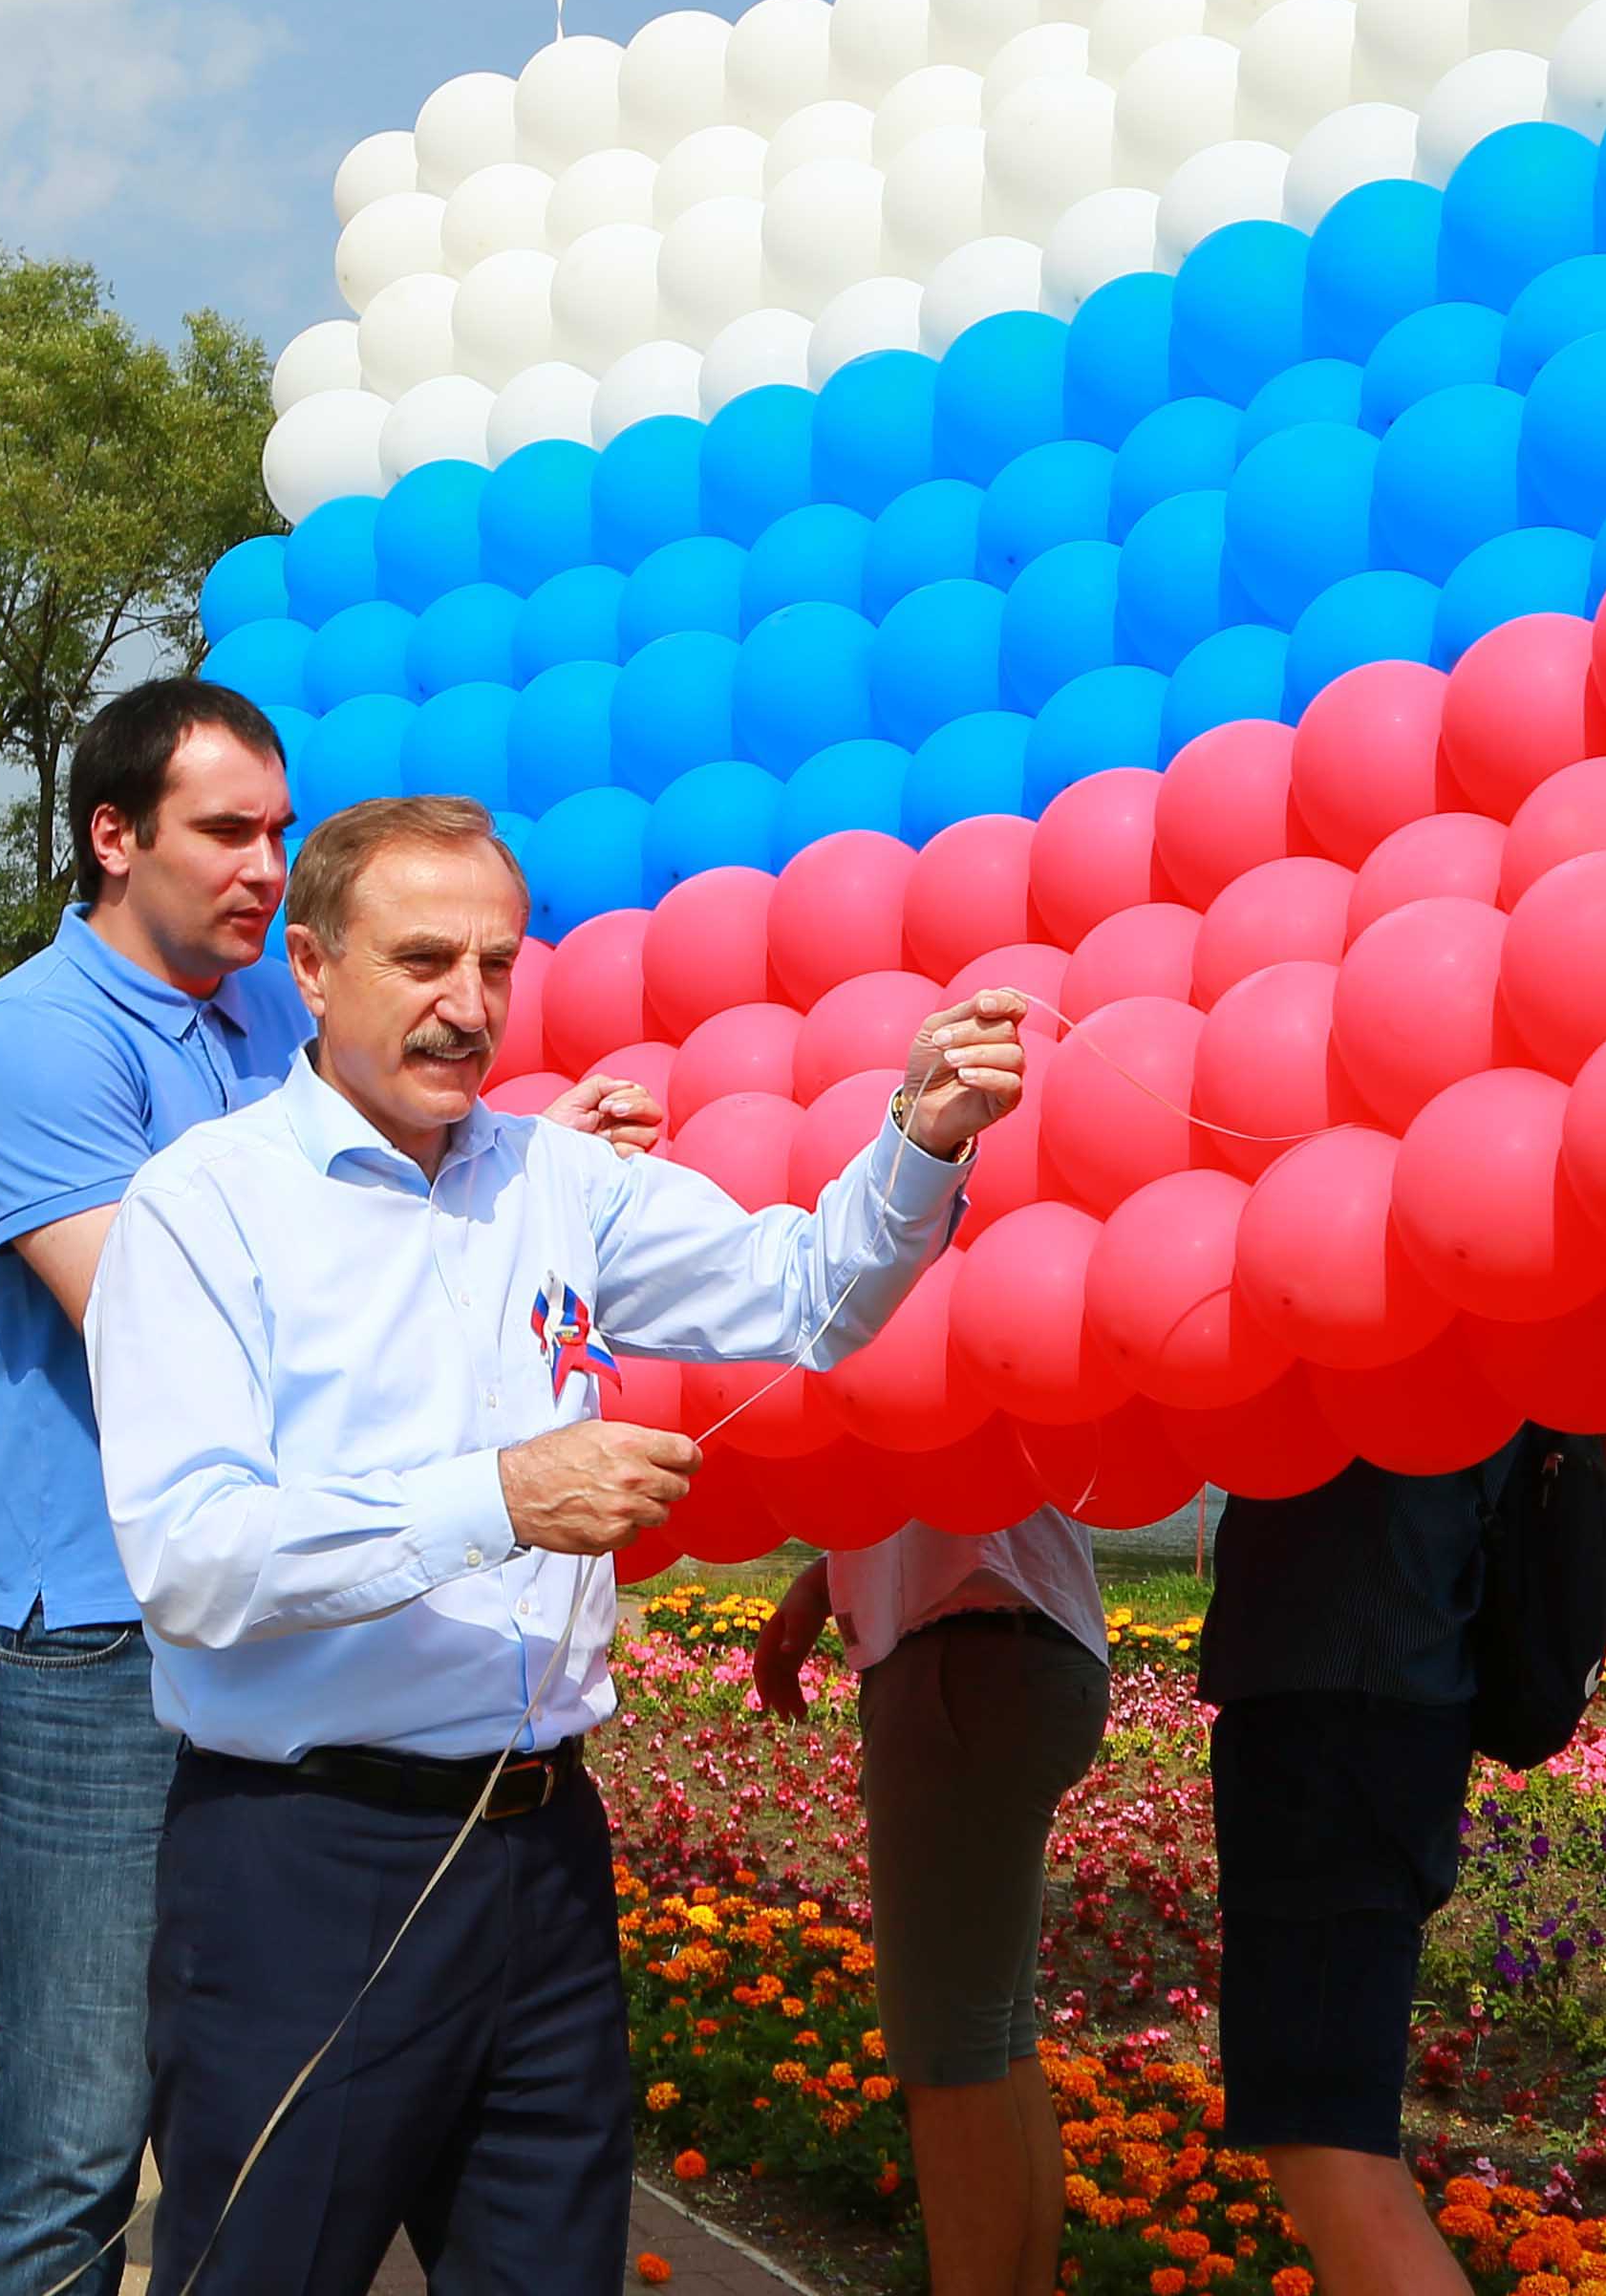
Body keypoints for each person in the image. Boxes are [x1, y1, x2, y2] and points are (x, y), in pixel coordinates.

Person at [89, 795, 1019, 2296]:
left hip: (542, 1858)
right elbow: (194, 1559)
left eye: (497, 965)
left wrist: (916, 1138)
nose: (468, 1007)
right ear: (310, 968)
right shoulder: (204, 1209)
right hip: (305, 1866)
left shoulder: (555, 1178)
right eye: (422, 962)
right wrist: (501, 1499)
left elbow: (804, 1295)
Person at [0, 676, 304, 2296]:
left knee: (249, 2116)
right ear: (112, 836)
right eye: (225, 831)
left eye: (279, 831)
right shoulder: (32, 1042)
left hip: (267, 1621)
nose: (265, 867)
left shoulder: (274, 1022)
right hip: (91, 1645)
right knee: (74, 2142)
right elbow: (162, 1334)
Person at [752, 1513, 1112, 2296]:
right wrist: (824, 1582)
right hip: (1031, 1642)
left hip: (965, 1652)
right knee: (997, 2037)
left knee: (951, 2056)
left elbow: (932, 1484)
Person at [1198, 1445, 1527, 2296]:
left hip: (1336, 1706)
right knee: (1323, 2126)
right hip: (1370, 1705)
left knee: (1324, 2134)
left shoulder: (1390, 1374)